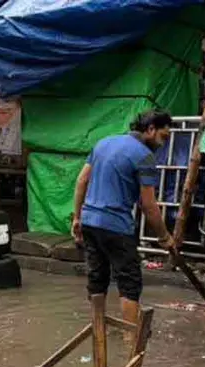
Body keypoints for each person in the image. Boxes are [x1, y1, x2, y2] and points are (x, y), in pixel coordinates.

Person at [71, 110, 176, 330]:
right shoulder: (145, 157)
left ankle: (98, 331)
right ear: (150, 129)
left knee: (97, 278)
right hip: (116, 227)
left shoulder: (103, 143)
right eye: (163, 137)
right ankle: (131, 340)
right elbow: (148, 205)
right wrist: (164, 237)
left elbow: (81, 181)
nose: (163, 144)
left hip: (90, 222)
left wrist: (77, 217)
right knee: (129, 283)